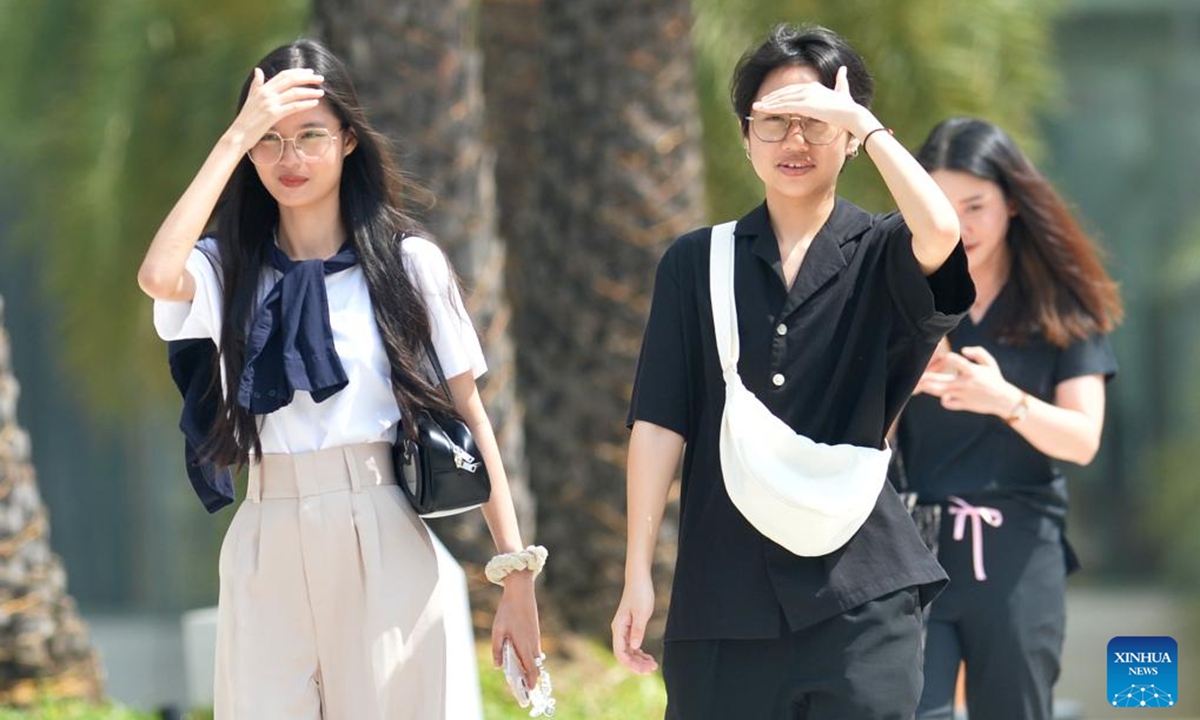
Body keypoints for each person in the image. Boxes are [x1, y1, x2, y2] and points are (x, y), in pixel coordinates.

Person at [136, 39, 543, 720]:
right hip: (264, 539)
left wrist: (516, 579)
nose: (288, 159)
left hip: (380, 533)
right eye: (270, 140)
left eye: (310, 136)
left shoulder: (408, 265)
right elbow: (157, 275)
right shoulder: (225, 270)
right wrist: (235, 137)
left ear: (350, 140)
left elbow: (473, 417)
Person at [611, 23, 975, 720]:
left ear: (847, 137)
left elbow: (941, 233)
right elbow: (660, 424)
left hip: (862, 598)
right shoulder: (696, 263)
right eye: (774, 123)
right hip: (721, 605)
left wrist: (866, 125)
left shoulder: (883, 250)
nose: (795, 142)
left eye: (816, 123)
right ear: (746, 136)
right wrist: (637, 577)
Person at [896, 117, 1122, 720]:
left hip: (1022, 553)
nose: (960, 224)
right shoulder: (902, 299)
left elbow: (1082, 440)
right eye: (941, 205)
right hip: (916, 553)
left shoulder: (1062, 305)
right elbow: (859, 437)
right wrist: (895, 389)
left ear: (1013, 203)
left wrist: (1003, 399)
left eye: (975, 205)